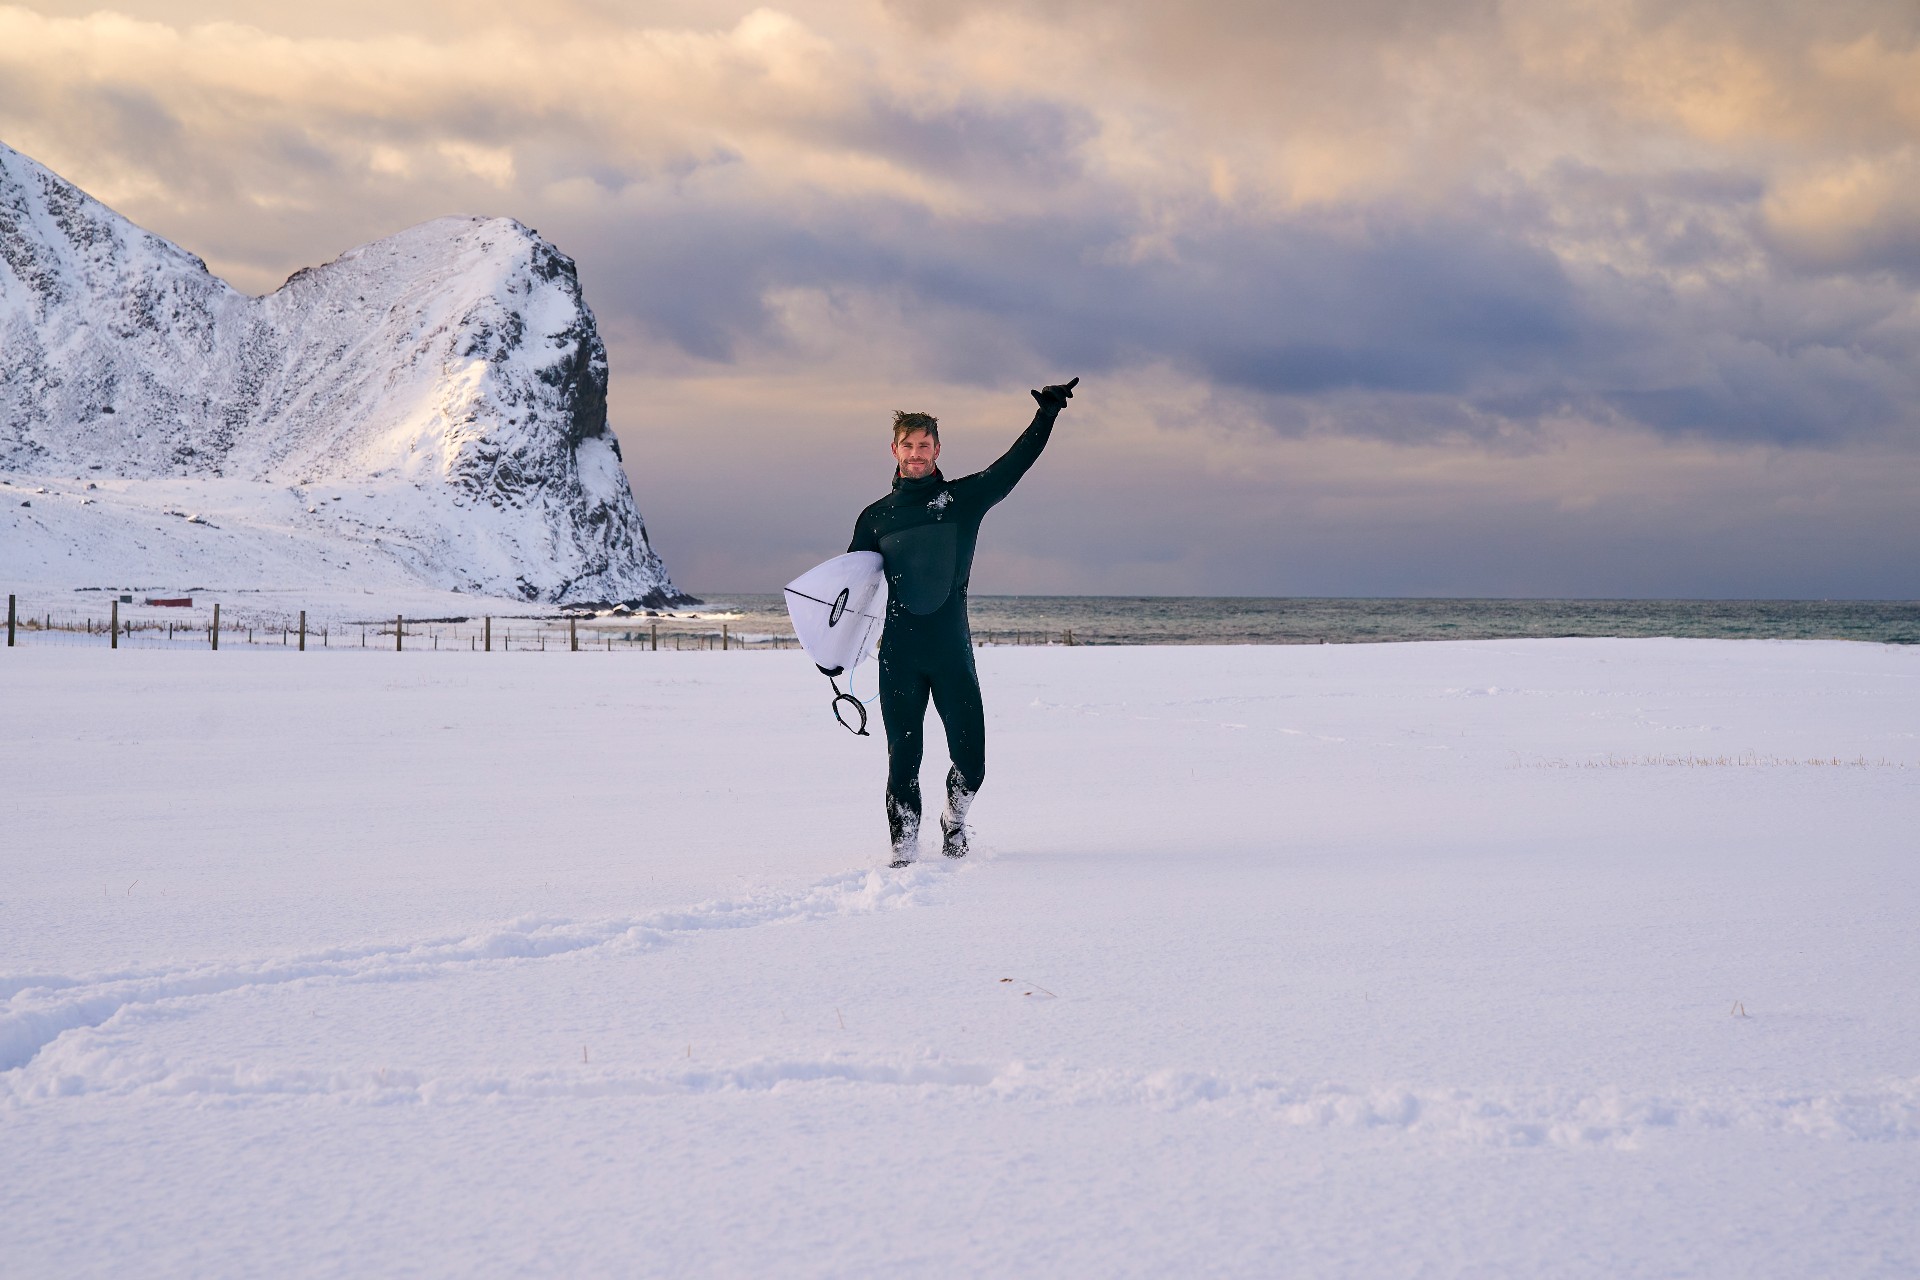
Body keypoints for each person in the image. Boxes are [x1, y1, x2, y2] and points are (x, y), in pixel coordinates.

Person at [848, 377, 1079, 866]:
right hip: (899, 657)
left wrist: (1047, 414)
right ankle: (903, 854)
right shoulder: (875, 518)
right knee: (903, 764)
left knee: (971, 762)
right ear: (893, 450)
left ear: (937, 448)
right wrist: (833, 651)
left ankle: (954, 821)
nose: (916, 453)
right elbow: (850, 590)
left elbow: (1012, 466)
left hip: (951, 653)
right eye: (907, 445)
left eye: (924, 444)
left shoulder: (963, 500)